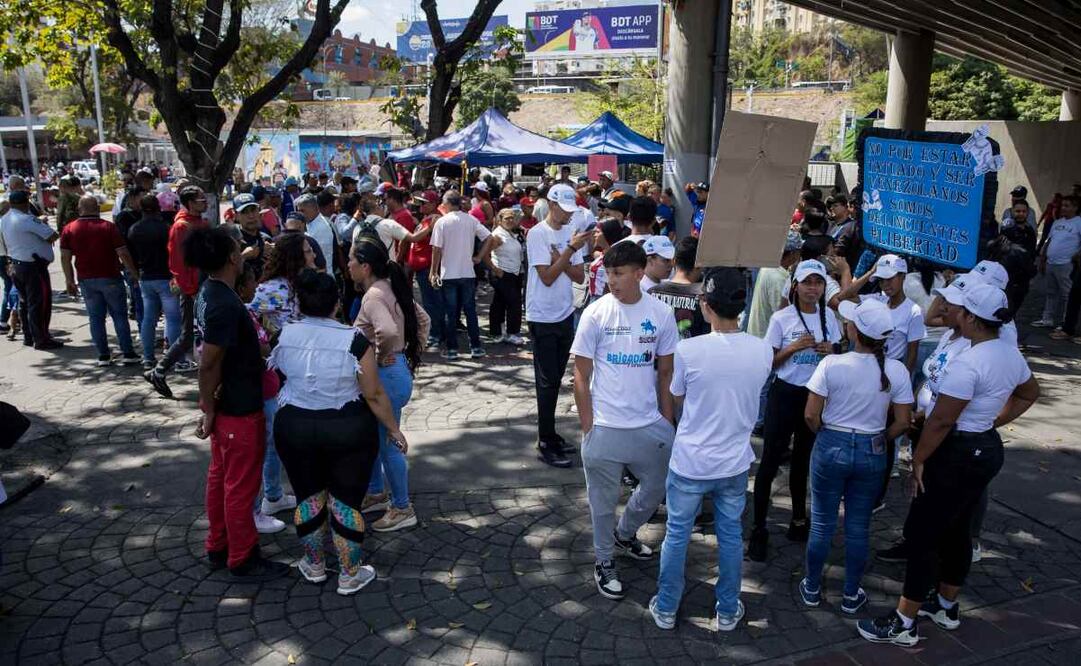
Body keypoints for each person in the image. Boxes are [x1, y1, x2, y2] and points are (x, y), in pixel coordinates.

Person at [858, 283, 1039, 646]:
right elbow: (1029, 392)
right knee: (957, 529)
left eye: (960, 309)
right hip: (984, 447)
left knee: (924, 535)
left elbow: (940, 422)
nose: (952, 312)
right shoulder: (1008, 353)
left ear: (972, 318)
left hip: (955, 452)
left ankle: (904, 622)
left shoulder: (969, 363)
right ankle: (945, 604)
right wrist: (991, 423)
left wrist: (919, 459)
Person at [649, 267, 771, 632]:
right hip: (734, 462)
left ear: (705, 305)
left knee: (677, 534)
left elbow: (678, 396)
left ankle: (668, 607)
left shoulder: (688, 350)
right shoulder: (762, 349)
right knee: (730, 535)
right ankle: (729, 609)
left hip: (691, 461)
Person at [571, 241, 678, 600]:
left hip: (649, 424)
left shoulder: (661, 314)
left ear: (638, 272)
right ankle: (603, 561)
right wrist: (589, 426)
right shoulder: (596, 313)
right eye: (608, 273)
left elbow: (666, 373)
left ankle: (626, 532)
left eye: (618, 273)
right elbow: (581, 375)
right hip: (604, 427)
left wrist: (666, 422)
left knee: (658, 486)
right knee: (601, 505)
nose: (611, 280)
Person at [799, 299, 914, 613]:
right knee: (858, 526)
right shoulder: (896, 370)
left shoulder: (831, 365)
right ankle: (851, 593)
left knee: (821, 524)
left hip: (831, 442)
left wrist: (825, 434)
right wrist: (880, 438)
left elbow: (811, 415)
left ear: (854, 330)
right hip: (872, 448)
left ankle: (811, 586)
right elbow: (903, 421)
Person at [188, 226, 289, 581]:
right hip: (237, 407)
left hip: (231, 403)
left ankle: (219, 544)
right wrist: (208, 406)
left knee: (222, 478)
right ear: (232, 257)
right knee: (239, 486)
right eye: (237, 247)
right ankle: (242, 556)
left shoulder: (212, 292)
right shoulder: (222, 303)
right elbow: (209, 362)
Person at [749, 259, 842, 562]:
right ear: (795, 286)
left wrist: (834, 350)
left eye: (818, 282)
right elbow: (766, 363)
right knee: (771, 461)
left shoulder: (831, 317)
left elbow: (842, 354)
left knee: (803, 459)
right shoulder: (782, 318)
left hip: (814, 396)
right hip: (784, 395)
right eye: (807, 282)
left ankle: (799, 519)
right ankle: (759, 527)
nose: (813, 289)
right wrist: (793, 348)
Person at [350, 238, 429, 532]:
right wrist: (409, 353)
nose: (348, 266)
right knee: (377, 439)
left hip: (386, 376)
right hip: (396, 372)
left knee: (389, 443)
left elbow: (386, 329)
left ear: (365, 266)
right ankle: (377, 493)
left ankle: (401, 506)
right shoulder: (389, 287)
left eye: (352, 262)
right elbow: (424, 320)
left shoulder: (373, 295)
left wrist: (383, 354)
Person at [836, 254, 926, 507]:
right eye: (882, 279)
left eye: (890, 278)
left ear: (902, 277)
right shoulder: (874, 299)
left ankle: (877, 496)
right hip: (863, 374)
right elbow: (843, 298)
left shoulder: (913, 311)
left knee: (886, 438)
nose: (886, 284)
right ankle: (854, 483)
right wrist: (870, 272)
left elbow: (911, 355)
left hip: (890, 378)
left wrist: (899, 391)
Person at [528, 184, 591, 468]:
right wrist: (567, 253)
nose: (567, 216)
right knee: (546, 379)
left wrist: (562, 256)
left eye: (570, 211)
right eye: (564, 210)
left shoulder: (570, 235)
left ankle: (550, 435)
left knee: (554, 378)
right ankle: (545, 439)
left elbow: (578, 276)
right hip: (542, 315)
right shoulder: (537, 234)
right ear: (551, 205)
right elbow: (548, 277)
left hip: (565, 313)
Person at [59, 196, 141, 366]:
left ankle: (103, 355)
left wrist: (69, 280)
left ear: (80, 209)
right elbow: (123, 252)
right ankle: (128, 352)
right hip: (110, 276)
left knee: (95, 318)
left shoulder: (69, 229)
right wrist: (134, 273)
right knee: (119, 315)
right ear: (97, 208)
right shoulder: (108, 227)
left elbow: (65, 257)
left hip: (86, 279)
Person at [144, 186, 208, 397]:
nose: (204, 201)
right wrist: (189, 289)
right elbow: (178, 263)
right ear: (189, 203)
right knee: (187, 335)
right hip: (191, 289)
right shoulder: (181, 226)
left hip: (203, 287)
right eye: (200, 199)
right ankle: (159, 371)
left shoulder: (200, 223)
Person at [430, 190, 494, 360]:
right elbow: (489, 237)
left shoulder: (442, 222)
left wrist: (433, 271)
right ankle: (476, 347)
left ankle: (452, 349)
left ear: (447, 203)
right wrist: (479, 257)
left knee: (451, 313)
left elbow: (436, 249)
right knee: (470, 311)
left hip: (448, 274)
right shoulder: (471, 220)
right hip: (467, 273)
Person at [0, 190, 62, 349]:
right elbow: (52, 236)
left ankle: (29, 336)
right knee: (39, 304)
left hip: (17, 264)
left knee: (25, 303)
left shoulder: (5, 219)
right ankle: (41, 339)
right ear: (25, 203)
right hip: (33, 267)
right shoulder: (27, 219)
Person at [127, 194, 180, 369]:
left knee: (149, 319)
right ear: (158, 208)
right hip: (165, 277)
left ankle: (148, 357)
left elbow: (131, 255)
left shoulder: (134, 229)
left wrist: (135, 273)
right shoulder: (166, 228)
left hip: (146, 277)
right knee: (172, 319)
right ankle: (173, 358)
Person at [248, 232, 317, 338]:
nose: (314, 255)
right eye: (308, 251)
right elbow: (249, 312)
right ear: (295, 257)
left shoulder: (301, 283)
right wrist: (263, 341)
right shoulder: (274, 290)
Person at [1033, 194, 1081, 328]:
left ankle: (1066, 322)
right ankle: (1047, 318)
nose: (1063, 208)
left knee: (1067, 294)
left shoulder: (1078, 222)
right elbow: (1049, 240)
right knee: (1051, 292)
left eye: (1067, 206)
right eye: (1063, 205)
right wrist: (1042, 258)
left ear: (1075, 208)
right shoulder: (1057, 222)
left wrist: (1077, 255)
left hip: (1066, 264)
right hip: (1051, 262)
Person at [480, 207, 526, 345]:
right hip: (503, 273)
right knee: (513, 303)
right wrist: (495, 268)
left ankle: (497, 332)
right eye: (507, 218)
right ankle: (511, 333)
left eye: (512, 217)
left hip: (515, 272)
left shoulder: (511, 233)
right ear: (499, 220)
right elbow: (485, 255)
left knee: (500, 303)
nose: (511, 220)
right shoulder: (497, 236)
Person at [648, 236, 708, 340]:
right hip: (690, 354)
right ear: (699, 265)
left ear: (673, 261)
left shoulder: (651, 293)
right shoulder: (703, 299)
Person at [407, 190, 444, 350]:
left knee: (432, 303)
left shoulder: (436, 220)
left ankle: (436, 334)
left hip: (428, 268)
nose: (420, 205)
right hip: (421, 268)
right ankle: (435, 333)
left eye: (424, 202)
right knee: (429, 302)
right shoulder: (427, 219)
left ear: (434, 204)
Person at [294, 193, 338, 271]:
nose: (300, 214)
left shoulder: (321, 227)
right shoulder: (310, 223)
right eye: (298, 211)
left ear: (314, 208)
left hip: (322, 275)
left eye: (302, 211)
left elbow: (315, 257)